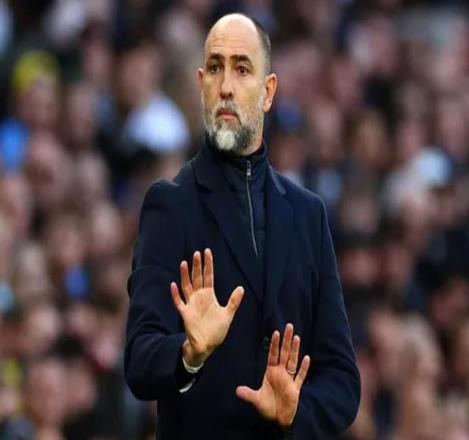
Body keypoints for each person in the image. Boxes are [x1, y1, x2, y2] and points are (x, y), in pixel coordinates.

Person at [124, 13, 360, 439]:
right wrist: (189, 354)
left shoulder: (308, 214)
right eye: (215, 68)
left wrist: (295, 411)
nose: (226, 87)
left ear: (268, 92)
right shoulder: (170, 205)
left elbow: (342, 379)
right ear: (201, 84)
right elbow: (140, 358)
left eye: (242, 69)